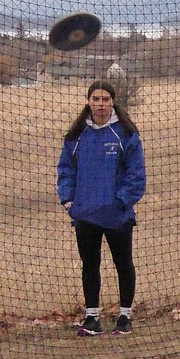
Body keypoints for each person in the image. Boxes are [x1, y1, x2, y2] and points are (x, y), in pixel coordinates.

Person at [57, 80, 146, 336]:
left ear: (113, 102)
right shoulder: (76, 136)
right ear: (88, 101)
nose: (101, 104)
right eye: (96, 99)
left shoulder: (126, 134)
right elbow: (66, 170)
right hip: (85, 214)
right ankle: (92, 317)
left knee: (123, 263)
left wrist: (121, 201)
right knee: (90, 265)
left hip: (117, 215)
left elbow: (136, 174)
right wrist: (69, 201)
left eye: (106, 99)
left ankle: (125, 316)